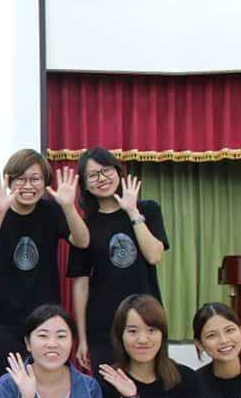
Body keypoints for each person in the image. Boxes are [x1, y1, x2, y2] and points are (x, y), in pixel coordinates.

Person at [0, 149, 89, 379]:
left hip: (46, 319)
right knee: (6, 386)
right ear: (9, 181)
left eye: (35, 179)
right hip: (4, 319)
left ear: (45, 182)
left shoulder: (53, 211)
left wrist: (69, 207)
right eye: (21, 179)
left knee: (46, 385)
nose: (28, 186)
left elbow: (82, 241)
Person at [66, 147, 168, 372]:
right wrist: (82, 338)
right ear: (85, 185)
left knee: (150, 386)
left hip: (146, 320)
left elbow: (154, 255)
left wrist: (132, 212)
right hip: (103, 325)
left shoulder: (148, 209)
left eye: (106, 170)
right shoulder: (85, 227)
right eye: (93, 175)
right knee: (108, 389)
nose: (101, 179)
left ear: (118, 172)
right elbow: (81, 284)